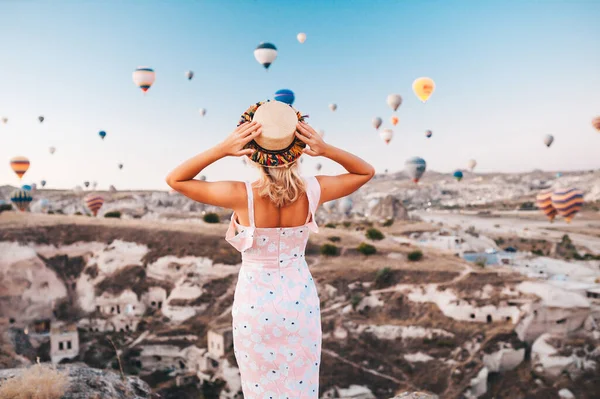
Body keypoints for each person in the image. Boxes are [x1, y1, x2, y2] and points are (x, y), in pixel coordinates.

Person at [166, 101, 374, 398]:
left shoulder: (241, 195)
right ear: (298, 148)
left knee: (260, 386)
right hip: (299, 301)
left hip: (255, 304)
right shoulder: (313, 191)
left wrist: (222, 148)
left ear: (251, 151)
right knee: (300, 384)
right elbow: (365, 172)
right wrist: (326, 149)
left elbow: (175, 179)